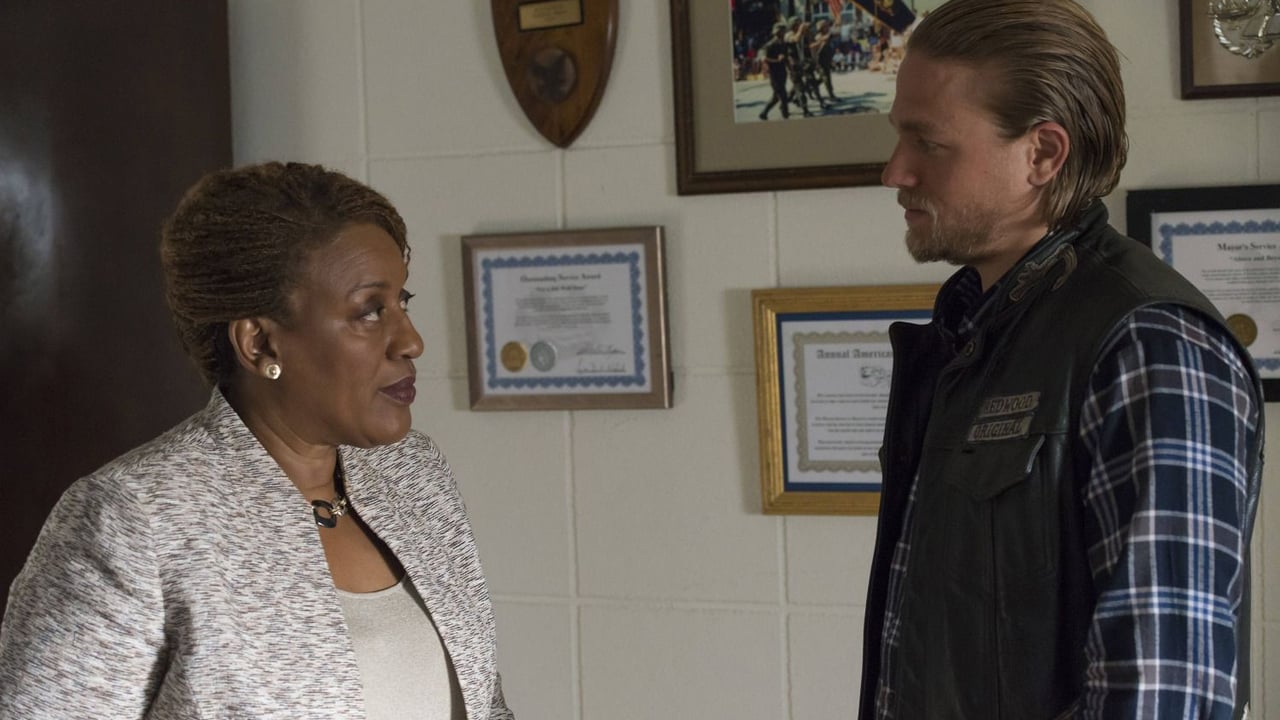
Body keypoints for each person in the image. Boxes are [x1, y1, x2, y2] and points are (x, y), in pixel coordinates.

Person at [861, 1, 1263, 719]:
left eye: (928, 142)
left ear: (1043, 154)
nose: (895, 171)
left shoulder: (1150, 343)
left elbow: (1161, 696)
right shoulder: (974, 336)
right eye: (899, 136)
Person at [0, 162, 516, 719]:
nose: (410, 341)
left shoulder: (413, 474)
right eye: (370, 312)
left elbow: (488, 707)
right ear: (259, 344)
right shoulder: (135, 519)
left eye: (403, 303)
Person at [759, 22, 791, 121]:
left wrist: (790, 68)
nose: (784, 32)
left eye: (784, 31)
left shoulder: (783, 43)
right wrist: (777, 60)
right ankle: (785, 115)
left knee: (776, 97)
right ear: (777, 32)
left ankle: (763, 113)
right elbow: (764, 58)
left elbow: (785, 57)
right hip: (774, 74)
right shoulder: (770, 44)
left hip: (782, 72)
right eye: (782, 31)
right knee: (783, 96)